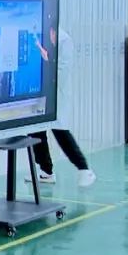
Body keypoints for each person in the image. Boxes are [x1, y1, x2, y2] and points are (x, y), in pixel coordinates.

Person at [29, 26, 96, 187]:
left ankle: (84, 169)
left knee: (60, 130)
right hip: (42, 91)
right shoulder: (41, 34)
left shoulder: (64, 40)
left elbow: (62, 71)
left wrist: (46, 59)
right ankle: (46, 171)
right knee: (36, 129)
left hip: (58, 92)